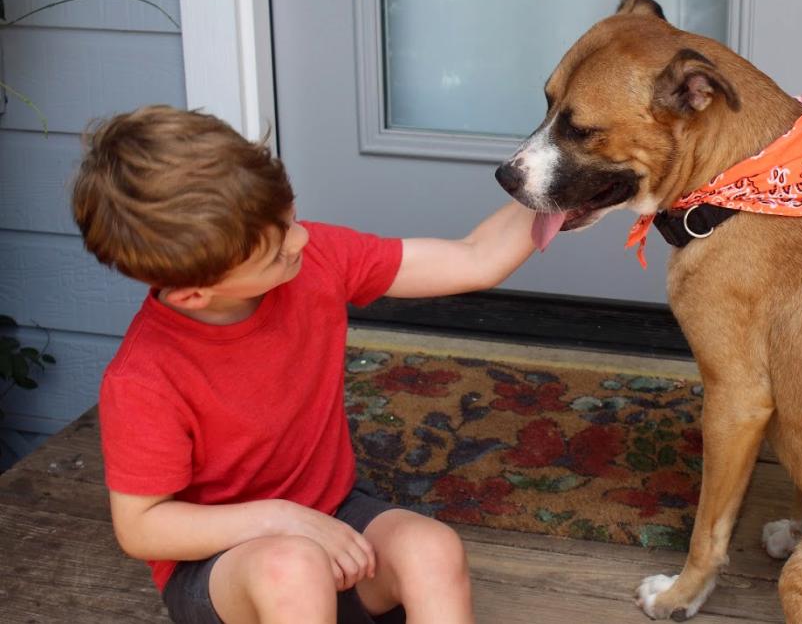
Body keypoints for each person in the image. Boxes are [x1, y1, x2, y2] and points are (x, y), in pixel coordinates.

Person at [71, 105, 537, 624]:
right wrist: (280, 520)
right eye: (275, 251)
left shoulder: (311, 261)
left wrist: (564, 184)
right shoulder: (144, 379)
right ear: (194, 295)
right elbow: (141, 527)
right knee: (292, 567)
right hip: (230, 569)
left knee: (433, 549)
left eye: (290, 218)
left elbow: (474, 257)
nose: (301, 241)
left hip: (335, 515)